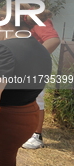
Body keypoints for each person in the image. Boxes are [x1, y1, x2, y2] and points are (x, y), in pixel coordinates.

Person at [0, 2, 52, 166]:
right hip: (28, 115)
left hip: (2, 120)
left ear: (1, 20)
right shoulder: (39, 48)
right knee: (5, 158)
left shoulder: (1, 49)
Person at [22, 18, 60, 149]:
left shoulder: (35, 17)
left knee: (37, 98)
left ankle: (37, 136)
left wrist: (34, 58)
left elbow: (53, 39)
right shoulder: (20, 19)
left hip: (34, 65)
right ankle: (27, 130)